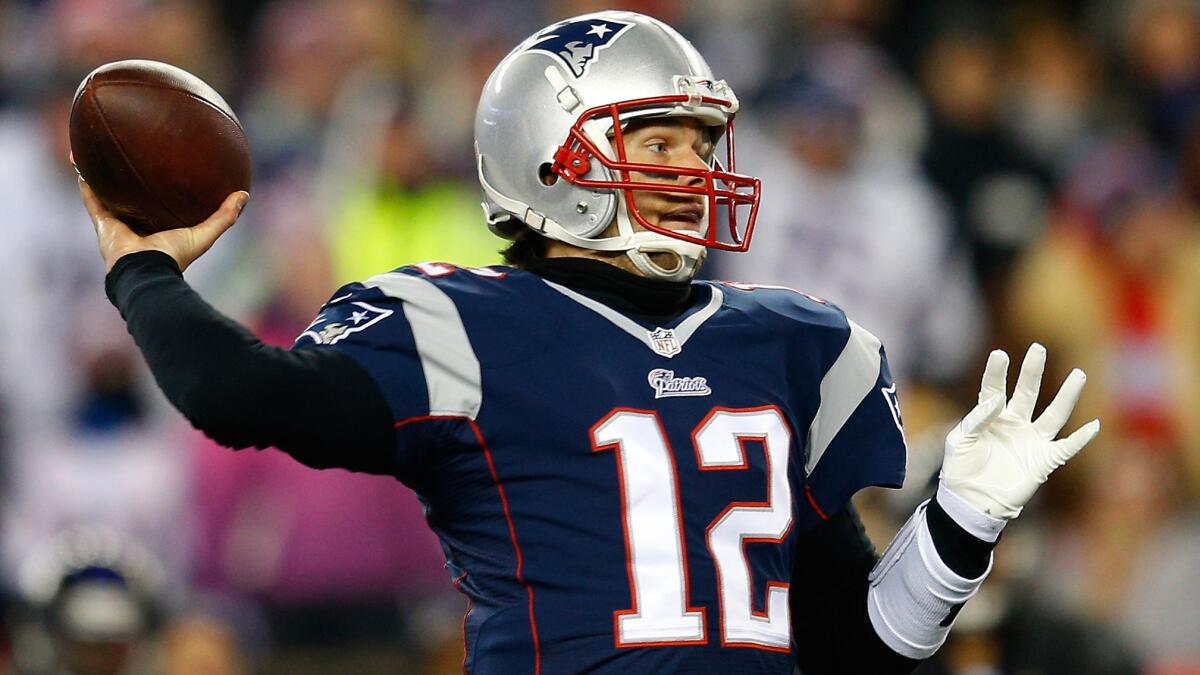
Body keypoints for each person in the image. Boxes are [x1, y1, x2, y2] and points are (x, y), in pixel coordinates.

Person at [78, 11, 1099, 674]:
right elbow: (239, 395)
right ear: (549, 156)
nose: (691, 171)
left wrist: (960, 525)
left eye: (699, 145)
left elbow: (864, 655)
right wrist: (143, 268)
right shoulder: (465, 324)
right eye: (656, 142)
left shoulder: (792, 344)